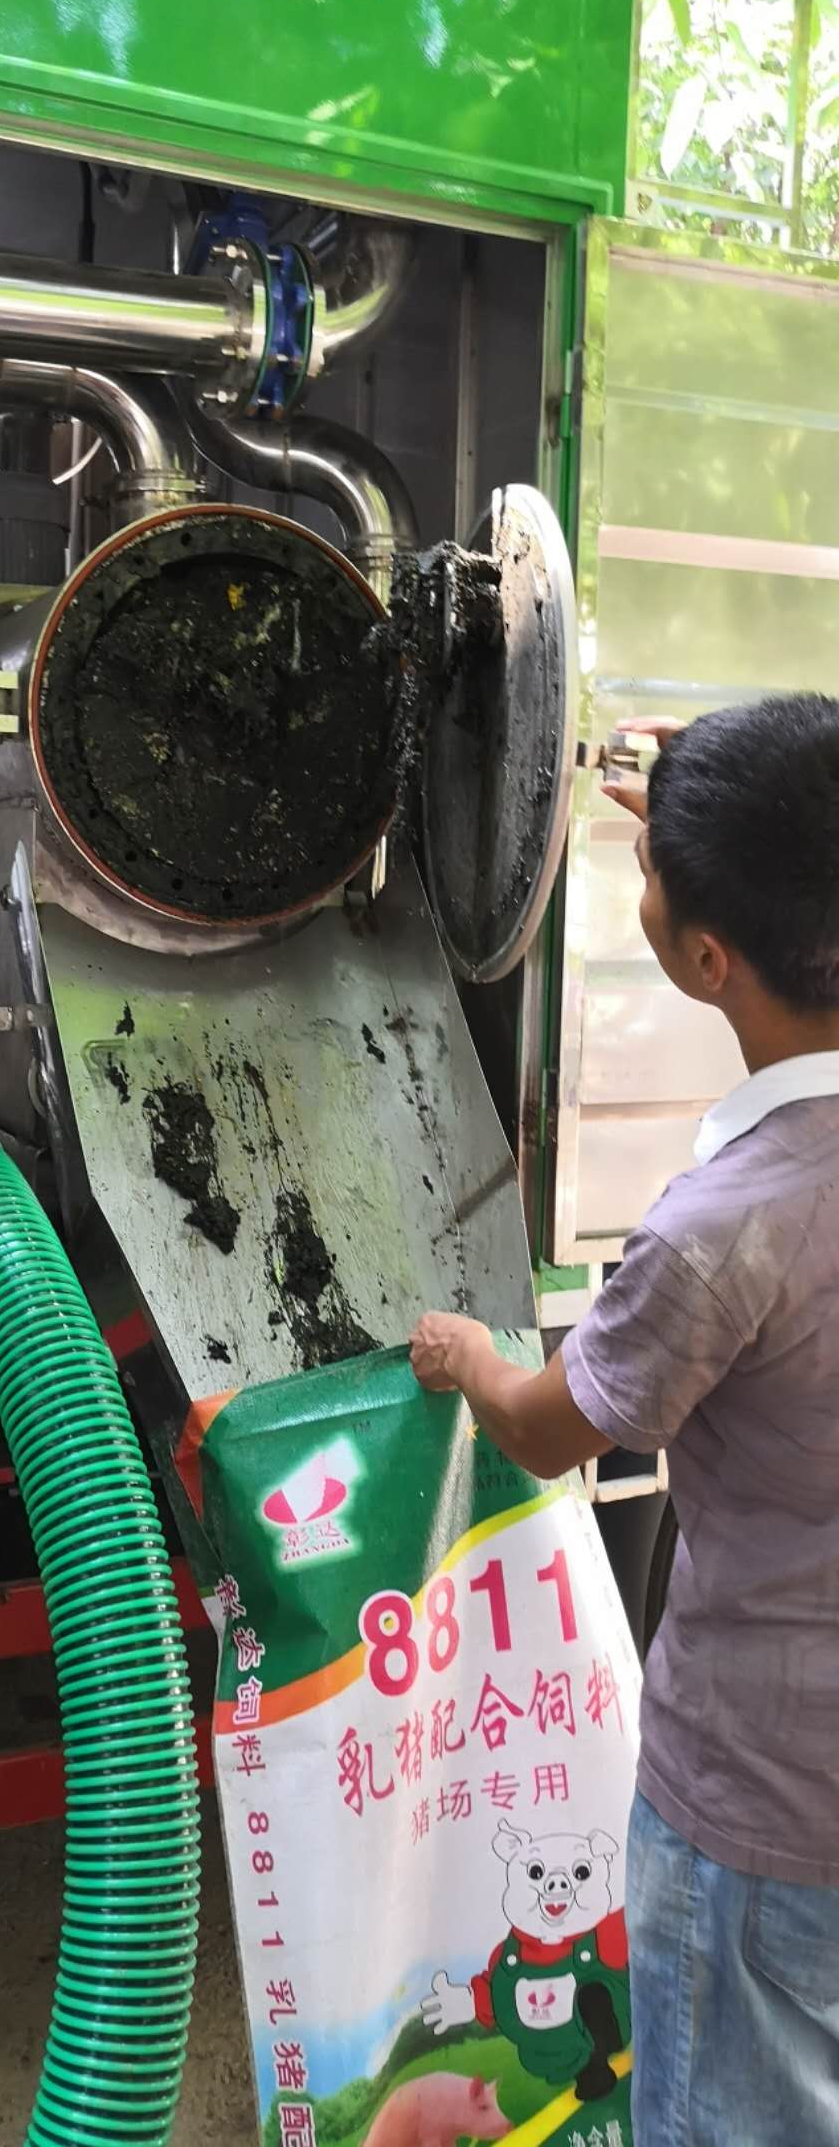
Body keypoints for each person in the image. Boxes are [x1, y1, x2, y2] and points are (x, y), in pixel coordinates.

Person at [410, 696, 839, 2147]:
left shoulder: (723, 1232)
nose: (637, 885)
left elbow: (548, 1427)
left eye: (651, 876)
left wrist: (472, 1354)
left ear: (707, 960)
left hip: (767, 1810)